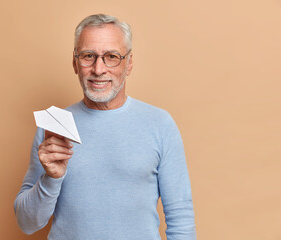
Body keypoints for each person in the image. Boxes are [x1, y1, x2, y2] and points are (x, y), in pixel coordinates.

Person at [14, 14, 196, 240]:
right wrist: (51, 179)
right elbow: (27, 223)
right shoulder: (54, 125)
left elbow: (181, 219)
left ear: (129, 63)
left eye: (112, 56)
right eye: (88, 56)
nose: (98, 69)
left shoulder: (160, 124)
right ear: (74, 63)